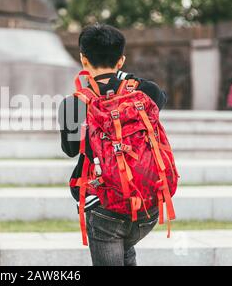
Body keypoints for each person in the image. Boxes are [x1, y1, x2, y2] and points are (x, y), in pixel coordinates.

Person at [58, 23, 168, 266]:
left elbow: (70, 150)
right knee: (126, 252)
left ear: (83, 59)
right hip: (147, 204)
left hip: (103, 206)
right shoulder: (145, 91)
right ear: (121, 60)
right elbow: (161, 99)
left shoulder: (72, 104)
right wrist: (126, 79)